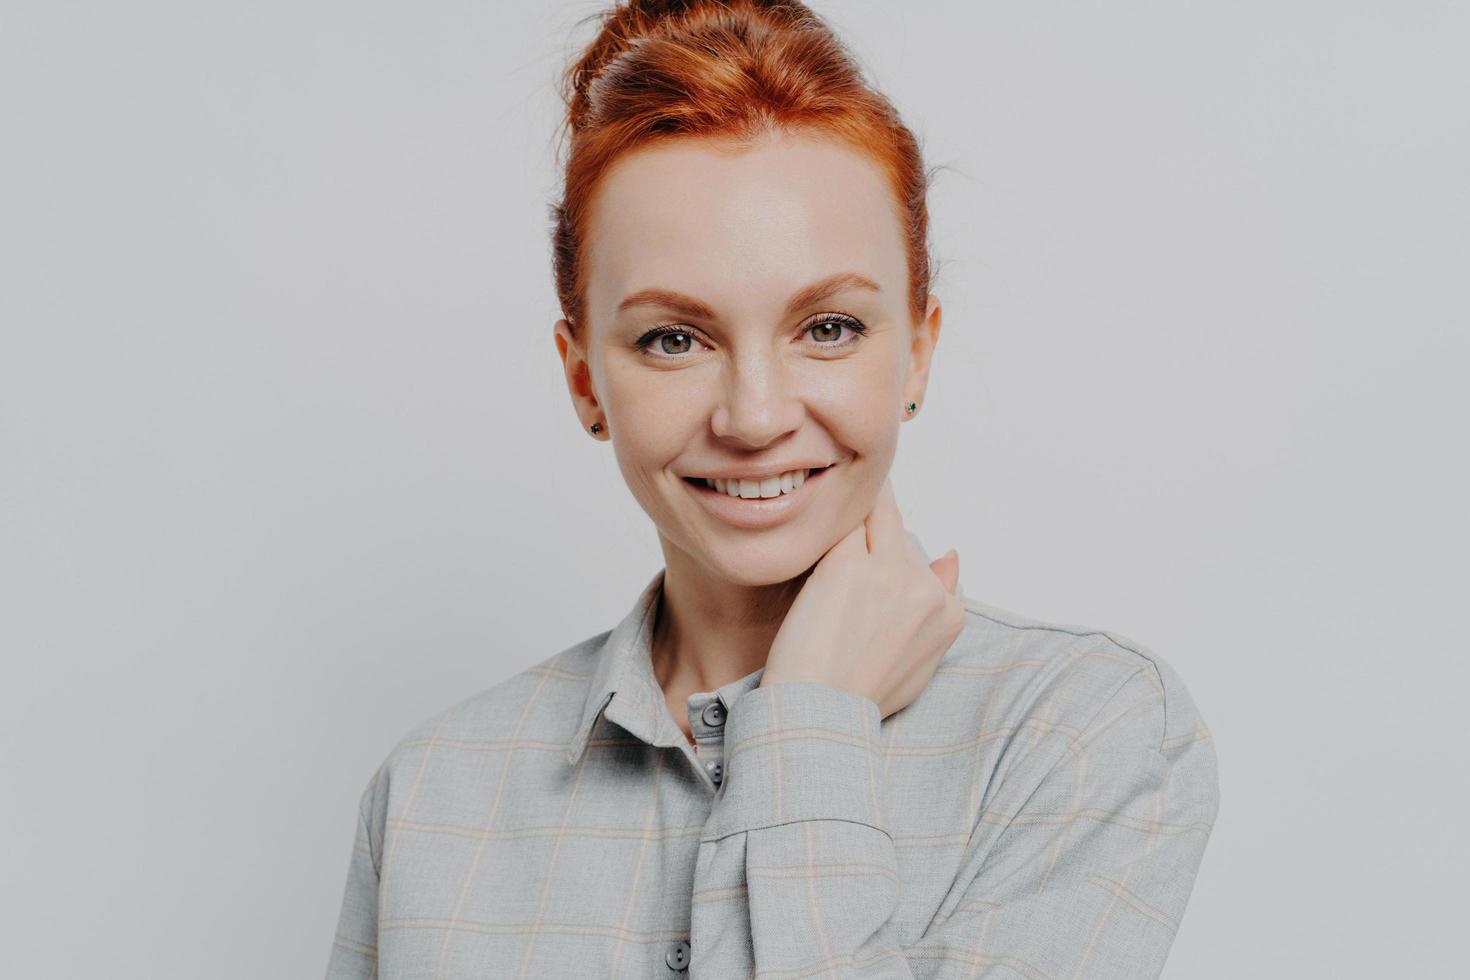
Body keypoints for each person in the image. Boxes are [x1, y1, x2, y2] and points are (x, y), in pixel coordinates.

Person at [325, 1, 1220, 977]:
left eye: (827, 327)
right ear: (584, 375)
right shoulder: (430, 797)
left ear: (918, 350)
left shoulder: (1078, 736)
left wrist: (807, 723)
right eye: (675, 337)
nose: (754, 416)